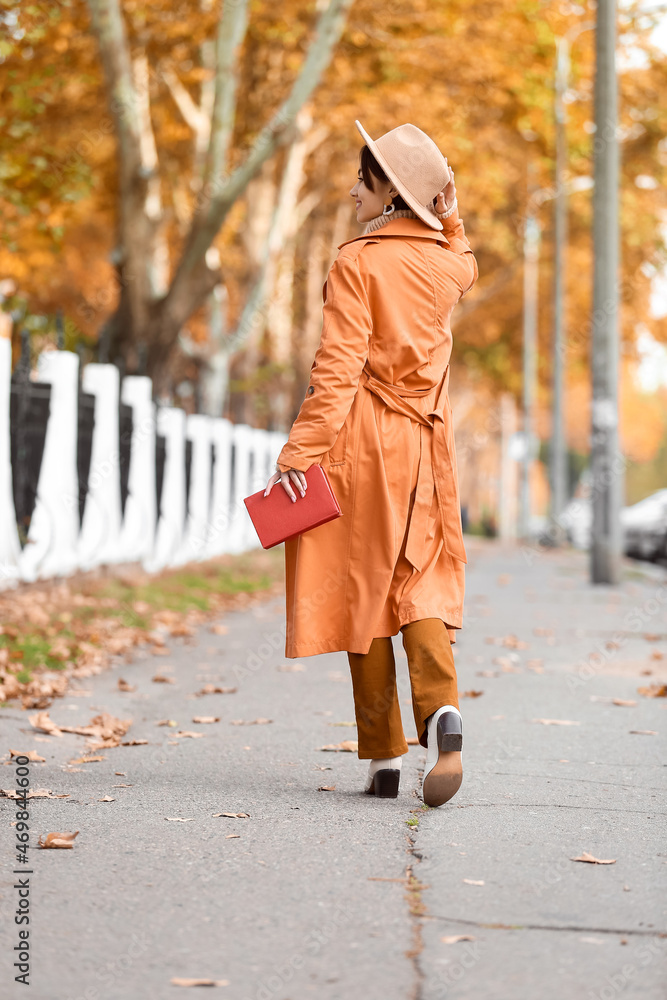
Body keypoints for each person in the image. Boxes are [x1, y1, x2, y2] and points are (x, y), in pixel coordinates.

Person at [264, 120, 479, 806]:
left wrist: (300, 450)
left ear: (389, 192)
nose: (352, 189)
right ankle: (439, 711)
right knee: (417, 582)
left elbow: (337, 368)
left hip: (361, 440)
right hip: (425, 443)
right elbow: (462, 251)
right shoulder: (449, 268)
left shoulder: (356, 261)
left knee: (363, 592)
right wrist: (448, 211)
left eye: (364, 178)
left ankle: (384, 758)